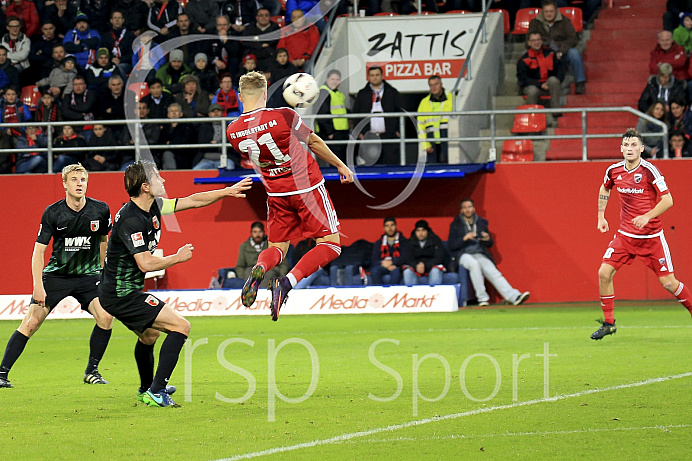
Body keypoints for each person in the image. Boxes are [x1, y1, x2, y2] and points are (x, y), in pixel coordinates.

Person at [97, 161, 252, 406]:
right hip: (120, 293)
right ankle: (157, 391)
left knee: (149, 335)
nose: (164, 181)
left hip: (120, 290)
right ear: (145, 186)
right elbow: (145, 264)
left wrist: (225, 191)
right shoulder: (131, 219)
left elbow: (193, 200)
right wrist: (177, 258)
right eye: (158, 177)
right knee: (181, 327)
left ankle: (146, 388)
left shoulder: (153, 205)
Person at [227, 71, 354, 321]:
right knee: (330, 244)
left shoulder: (233, 131)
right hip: (306, 188)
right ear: (265, 94)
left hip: (275, 193)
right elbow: (313, 142)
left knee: (277, 247)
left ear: (240, 96)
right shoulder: (284, 115)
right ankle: (286, 283)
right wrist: (341, 165)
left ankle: (260, 268)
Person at [0, 164, 112, 389]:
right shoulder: (53, 212)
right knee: (31, 323)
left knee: (106, 317)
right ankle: (1, 373)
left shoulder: (100, 210)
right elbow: (39, 251)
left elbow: (103, 242)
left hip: (88, 276)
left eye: (83, 179)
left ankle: (91, 371)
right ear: (64, 184)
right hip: (57, 276)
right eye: (74, 180)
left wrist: (103, 273)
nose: (79, 183)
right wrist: (38, 285)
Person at [592, 128, 692, 340]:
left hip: (651, 238)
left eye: (634, 145)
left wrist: (647, 216)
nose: (630, 149)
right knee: (603, 273)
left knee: (669, 283)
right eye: (626, 145)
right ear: (621, 148)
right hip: (625, 236)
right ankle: (609, 323)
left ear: (642, 148)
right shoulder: (614, 170)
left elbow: (668, 200)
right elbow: (604, 188)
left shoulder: (649, 171)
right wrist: (601, 216)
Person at [448, 199, 530, 307]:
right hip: (463, 254)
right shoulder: (456, 224)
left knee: (494, 272)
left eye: (469, 207)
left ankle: (514, 297)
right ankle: (482, 298)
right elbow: (452, 245)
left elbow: (489, 243)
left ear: (474, 208)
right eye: (465, 208)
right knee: (474, 264)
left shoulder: (481, 222)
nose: (468, 210)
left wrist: (487, 239)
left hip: (479, 252)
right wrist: (464, 238)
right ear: (461, 210)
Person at [528, 0, 585, 94]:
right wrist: (546, 46)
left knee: (574, 53)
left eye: (551, 11)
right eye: (546, 11)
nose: (548, 14)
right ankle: (530, 85)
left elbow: (573, 39)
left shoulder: (565, 21)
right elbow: (528, 41)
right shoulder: (535, 22)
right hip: (543, 52)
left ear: (556, 11)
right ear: (542, 12)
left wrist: (561, 51)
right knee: (524, 54)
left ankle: (579, 83)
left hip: (562, 51)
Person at [352, 66, 403, 165]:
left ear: (382, 76)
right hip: (369, 138)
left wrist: (398, 130)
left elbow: (401, 112)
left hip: (389, 137)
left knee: (390, 167)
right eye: (372, 75)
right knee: (371, 168)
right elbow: (355, 114)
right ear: (368, 77)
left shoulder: (392, 92)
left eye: (377, 75)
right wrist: (359, 132)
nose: (375, 78)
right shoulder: (362, 94)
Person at [230, 222, 290, 288]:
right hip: (251, 271)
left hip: (269, 270)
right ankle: (250, 293)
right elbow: (240, 266)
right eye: (255, 232)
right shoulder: (244, 246)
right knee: (250, 273)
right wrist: (243, 277)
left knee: (268, 273)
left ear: (264, 232)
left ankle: (264, 294)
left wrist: (280, 276)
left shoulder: (272, 244)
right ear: (251, 233)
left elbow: (284, 264)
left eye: (260, 232)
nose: (257, 235)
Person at [517, 32, 564, 110]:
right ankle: (532, 116)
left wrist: (558, 79)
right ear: (529, 43)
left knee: (554, 80)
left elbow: (560, 69)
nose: (536, 42)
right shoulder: (523, 59)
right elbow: (523, 79)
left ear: (542, 41)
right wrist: (540, 85)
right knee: (532, 91)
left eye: (538, 39)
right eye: (533, 40)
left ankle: (556, 111)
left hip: (549, 85)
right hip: (532, 86)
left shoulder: (551, 53)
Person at [417, 75, 453, 164]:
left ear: (441, 84)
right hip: (431, 140)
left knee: (450, 168)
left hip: (448, 139)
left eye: (436, 84)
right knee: (432, 169)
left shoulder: (453, 99)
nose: (434, 87)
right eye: (431, 85)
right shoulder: (424, 102)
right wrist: (425, 144)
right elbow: (420, 126)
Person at [316, 69, 349, 162]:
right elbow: (322, 114)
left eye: (337, 79)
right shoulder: (324, 92)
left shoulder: (338, 93)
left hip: (341, 132)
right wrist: (329, 132)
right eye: (332, 79)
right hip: (332, 133)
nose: (335, 82)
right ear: (327, 80)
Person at [193, 103, 236, 169]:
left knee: (230, 168)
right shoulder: (204, 127)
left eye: (218, 111)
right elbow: (202, 145)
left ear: (222, 113)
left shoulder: (229, 127)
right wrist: (219, 145)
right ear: (209, 114)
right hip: (206, 159)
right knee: (196, 170)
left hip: (224, 158)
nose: (216, 113)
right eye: (213, 111)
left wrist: (213, 145)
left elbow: (230, 146)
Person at [370, 217, 411, 286]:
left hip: (397, 266)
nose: (390, 228)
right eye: (387, 226)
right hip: (383, 266)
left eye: (392, 225)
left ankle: (392, 294)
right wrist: (382, 263)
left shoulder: (403, 241)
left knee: (396, 271)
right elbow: (374, 260)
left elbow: (405, 257)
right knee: (374, 271)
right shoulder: (378, 243)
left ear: (396, 226)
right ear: (384, 228)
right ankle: (380, 293)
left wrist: (393, 262)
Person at [101, 11, 135, 76]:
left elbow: (132, 53)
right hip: (110, 62)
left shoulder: (130, 35)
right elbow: (104, 51)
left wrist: (120, 60)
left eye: (119, 18)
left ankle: (124, 85)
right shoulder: (106, 36)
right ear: (111, 20)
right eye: (115, 18)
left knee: (119, 68)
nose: (117, 20)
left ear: (123, 20)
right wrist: (111, 59)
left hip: (125, 63)